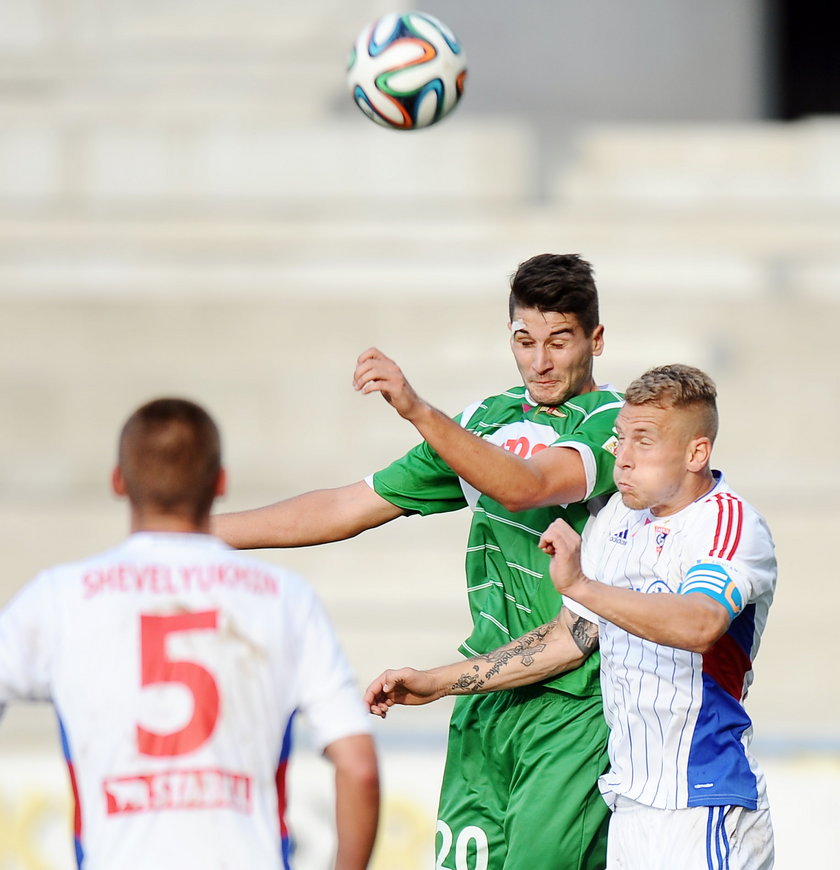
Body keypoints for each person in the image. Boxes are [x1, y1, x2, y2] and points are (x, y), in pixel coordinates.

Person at [213, 253, 624, 870]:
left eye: (558, 341)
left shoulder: (617, 423)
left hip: (570, 701)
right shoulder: (485, 422)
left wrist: (415, 408)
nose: (540, 361)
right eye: (524, 340)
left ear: (595, 338)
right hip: (485, 695)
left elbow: (525, 486)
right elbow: (347, 505)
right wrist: (199, 532)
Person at [366, 364, 776, 870]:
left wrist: (583, 585)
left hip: (705, 803)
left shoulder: (729, 524)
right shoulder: (619, 523)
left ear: (697, 453)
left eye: (642, 443)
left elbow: (699, 624)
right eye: (620, 438)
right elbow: (568, 638)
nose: (621, 458)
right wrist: (436, 683)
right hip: (629, 806)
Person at [0, 398, 379, 870]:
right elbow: (359, 769)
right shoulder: (284, 599)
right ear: (220, 482)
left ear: (118, 482)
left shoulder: (58, 597)